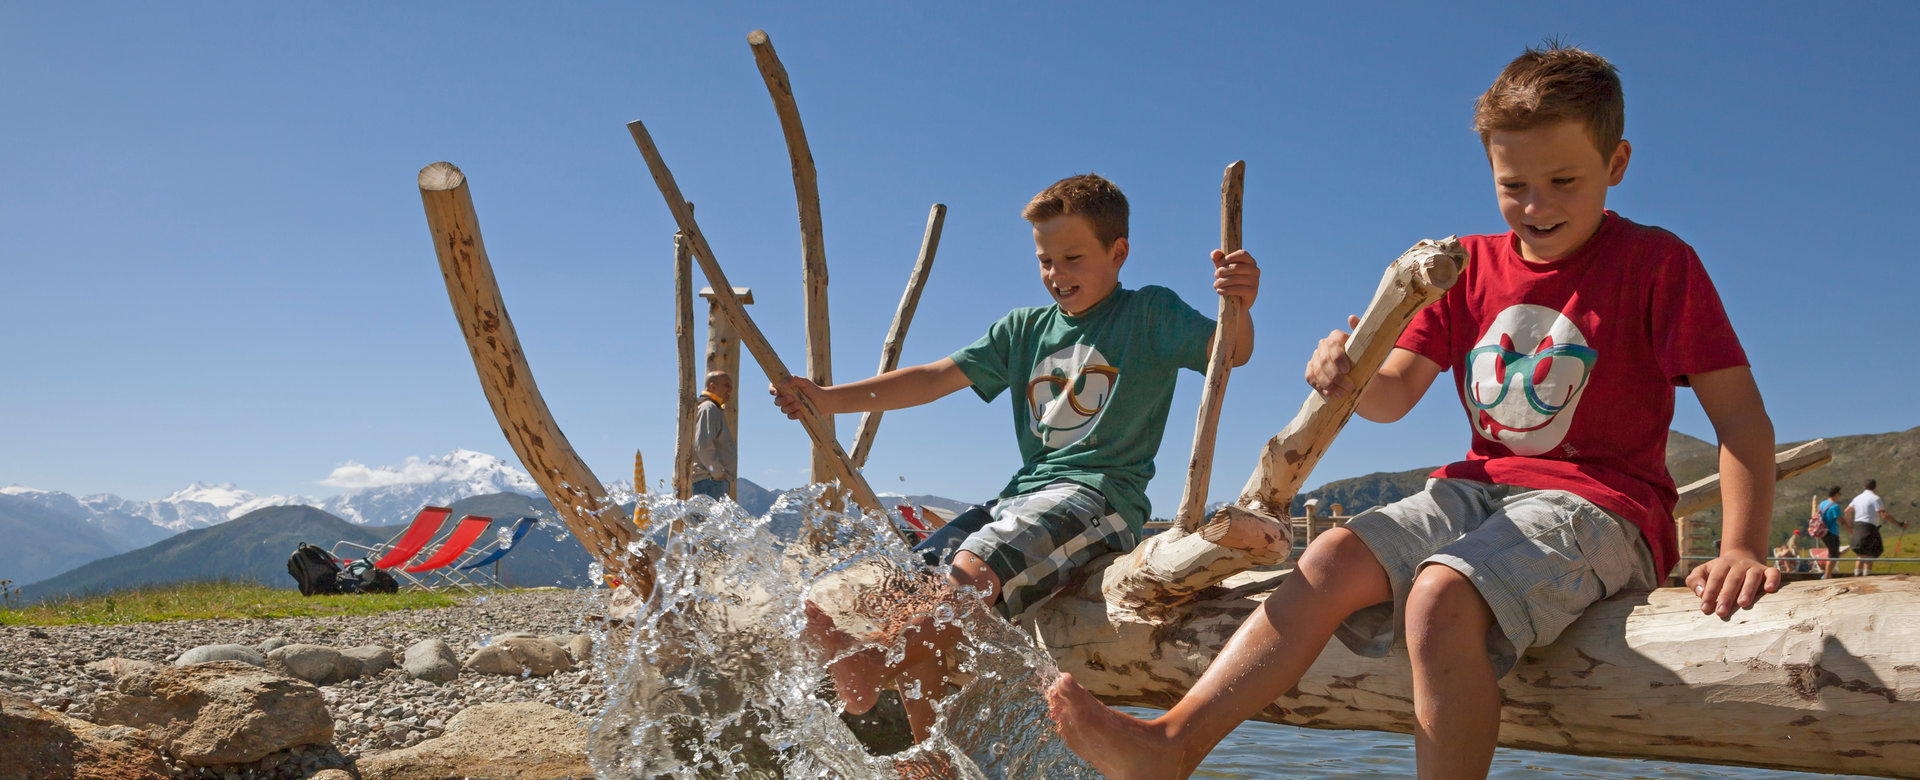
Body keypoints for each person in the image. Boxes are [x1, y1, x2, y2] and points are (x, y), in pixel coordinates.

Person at [1046, 44, 1780, 780]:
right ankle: (1173, 745)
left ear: (1616, 163)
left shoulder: (1657, 263)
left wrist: (1743, 547)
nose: (1536, 205)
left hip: (1602, 507)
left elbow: (1741, 420)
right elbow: (1392, 395)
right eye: (1513, 183)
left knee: (1442, 593)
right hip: (1480, 490)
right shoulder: (1467, 267)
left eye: (1563, 181)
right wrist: (1346, 366)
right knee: (1329, 555)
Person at [772, 173, 1260, 739]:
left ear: (1118, 251)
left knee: (967, 575)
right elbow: (932, 379)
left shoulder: (1149, 313)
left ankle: (872, 667)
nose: (1057, 274)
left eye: (1073, 258)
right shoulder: (1024, 328)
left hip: (1097, 499)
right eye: (1045, 261)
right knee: (911, 590)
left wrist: (1240, 303)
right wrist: (828, 399)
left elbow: (1233, 351)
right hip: (1019, 498)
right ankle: (928, 757)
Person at [689, 370, 735, 500]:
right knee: (705, 520)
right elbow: (702, 444)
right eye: (727, 385)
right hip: (708, 481)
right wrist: (717, 472)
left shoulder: (711, 408)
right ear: (712, 386)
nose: (730, 390)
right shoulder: (708, 408)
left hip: (711, 480)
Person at [1847, 479, 1906, 576]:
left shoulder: (1857, 498)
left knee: (1860, 554)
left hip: (1858, 527)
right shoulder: (1875, 498)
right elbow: (1884, 515)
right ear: (1875, 487)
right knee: (1870, 554)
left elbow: (1847, 511)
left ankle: (1857, 576)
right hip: (1869, 528)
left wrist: (1851, 525)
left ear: (1864, 487)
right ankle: (1867, 577)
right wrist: (1899, 524)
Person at [1813, 485, 1846, 578]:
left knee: (1832, 553)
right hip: (1831, 532)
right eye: (1839, 494)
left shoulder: (1822, 504)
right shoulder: (1834, 506)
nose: (1840, 495)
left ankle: (1827, 575)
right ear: (1835, 494)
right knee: (1834, 555)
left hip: (1822, 532)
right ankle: (1827, 576)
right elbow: (1841, 521)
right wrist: (1851, 530)